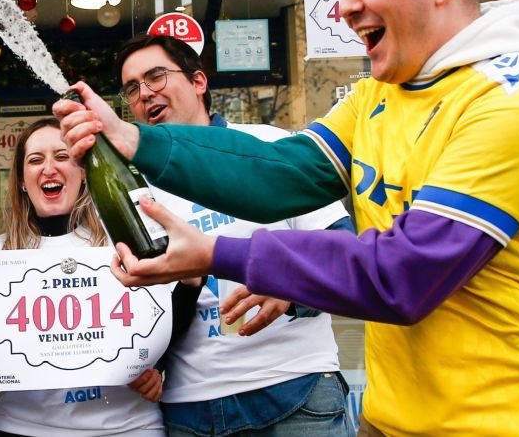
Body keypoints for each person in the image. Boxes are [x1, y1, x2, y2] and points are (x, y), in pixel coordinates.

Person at [55, 0, 519, 436]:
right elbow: (281, 174)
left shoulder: (518, 101)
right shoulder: (379, 94)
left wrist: (217, 254)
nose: (344, 6)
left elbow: (403, 274)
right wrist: (130, 138)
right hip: (391, 421)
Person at [116, 34, 354, 436]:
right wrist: (147, 363)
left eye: (156, 76)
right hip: (190, 409)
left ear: (198, 81)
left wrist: (290, 288)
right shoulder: (134, 187)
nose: (145, 93)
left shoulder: (268, 145)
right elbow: (139, 304)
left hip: (293, 389)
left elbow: (343, 254)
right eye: (132, 88)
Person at [0, 117, 166, 437]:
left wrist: (157, 367)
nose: (49, 168)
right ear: (22, 181)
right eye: (36, 160)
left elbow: (166, 320)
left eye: (62, 156)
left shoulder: (124, 242)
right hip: (23, 428)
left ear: (83, 172)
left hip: (127, 426)